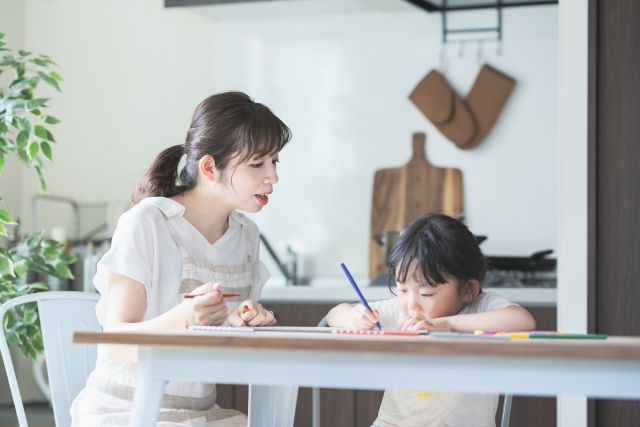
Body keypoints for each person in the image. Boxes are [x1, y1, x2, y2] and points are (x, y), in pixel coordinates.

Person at [71, 91, 291, 427]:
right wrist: (183, 319)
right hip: (123, 411)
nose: (272, 176)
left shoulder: (247, 236)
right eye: (257, 163)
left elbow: (218, 351)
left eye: (274, 161)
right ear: (209, 167)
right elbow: (117, 342)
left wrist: (239, 323)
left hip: (201, 414)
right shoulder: (148, 222)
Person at [326, 213, 536, 427]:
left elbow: (522, 321)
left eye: (426, 294)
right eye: (402, 289)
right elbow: (334, 314)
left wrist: (447, 325)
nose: (410, 304)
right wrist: (355, 316)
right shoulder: (403, 312)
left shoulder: (480, 308)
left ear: (467, 289)